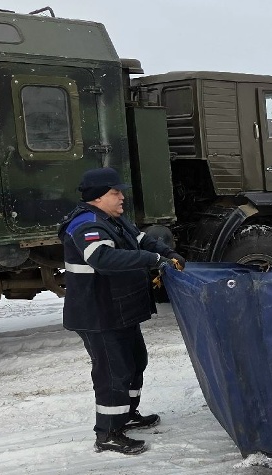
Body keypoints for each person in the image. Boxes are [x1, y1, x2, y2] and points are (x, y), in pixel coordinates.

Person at [58, 167, 185, 455]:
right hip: (97, 314)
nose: (121, 198)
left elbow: (139, 239)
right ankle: (107, 433)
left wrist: (166, 252)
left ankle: (126, 414)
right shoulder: (86, 224)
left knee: (135, 361)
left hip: (118, 309)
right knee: (113, 372)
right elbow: (103, 258)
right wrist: (153, 259)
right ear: (97, 197)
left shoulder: (113, 219)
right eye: (115, 193)